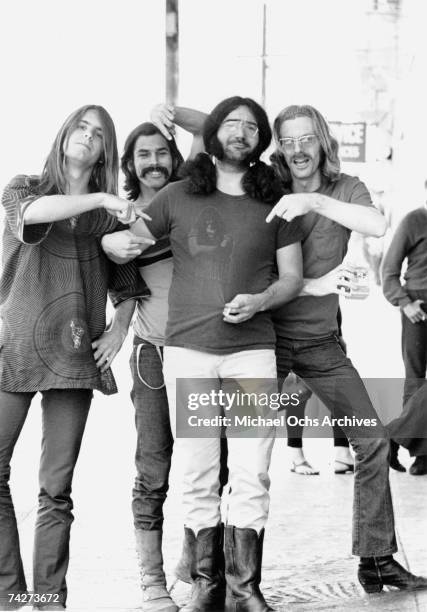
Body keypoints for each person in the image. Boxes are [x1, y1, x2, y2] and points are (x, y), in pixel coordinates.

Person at [109, 96, 303, 612]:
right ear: (214, 134)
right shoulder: (176, 196)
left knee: (251, 468)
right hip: (188, 353)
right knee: (195, 469)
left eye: (251, 126)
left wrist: (261, 300)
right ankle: (206, 587)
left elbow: (292, 279)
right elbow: (123, 244)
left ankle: (245, 590)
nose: (241, 132)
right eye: (230, 124)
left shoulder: (276, 200)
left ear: (261, 140)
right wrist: (114, 245)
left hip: (253, 354)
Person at [268, 104, 427, 593]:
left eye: (306, 139)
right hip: (263, 339)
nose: (297, 149)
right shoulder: (263, 187)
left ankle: (376, 561)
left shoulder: (344, 188)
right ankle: (222, 574)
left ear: (322, 142)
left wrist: (313, 203)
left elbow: (376, 224)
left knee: (373, 440)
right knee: (240, 453)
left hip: (320, 342)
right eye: (288, 140)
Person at [0, 104, 147, 611]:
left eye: (98, 133)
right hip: (13, 349)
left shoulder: (109, 218)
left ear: (105, 148)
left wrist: (119, 331)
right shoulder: (24, 188)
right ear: (64, 135)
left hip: (73, 353)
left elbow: (130, 287)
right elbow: (34, 218)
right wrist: (104, 199)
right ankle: (9, 593)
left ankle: (47, 597)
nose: (87, 137)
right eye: (80, 127)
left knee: (55, 489)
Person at [97, 107, 207, 612]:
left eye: (162, 152)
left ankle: (194, 565)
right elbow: (119, 285)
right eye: (143, 155)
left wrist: (172, 113)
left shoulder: (191, 196)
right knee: (154, 469)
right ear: (130, 164)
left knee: (210, 465)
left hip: (204, 351)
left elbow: (212, 129)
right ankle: (152, 581)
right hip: (153, 357)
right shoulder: (121, 216)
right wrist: (118, 324)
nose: (154, 162)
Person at [382, 188, 427, 476]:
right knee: (415, 379)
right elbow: (387, 271)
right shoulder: (414, 220)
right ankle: (422, 454)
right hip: (418, 309)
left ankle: (392, 435)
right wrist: (405, 302)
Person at [282, 308, 355, 475]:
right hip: (295, 337)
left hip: (327, 336)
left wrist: (339, 338)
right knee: (298, 395)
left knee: (339, 394)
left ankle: (342, 453)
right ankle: (297, 456)